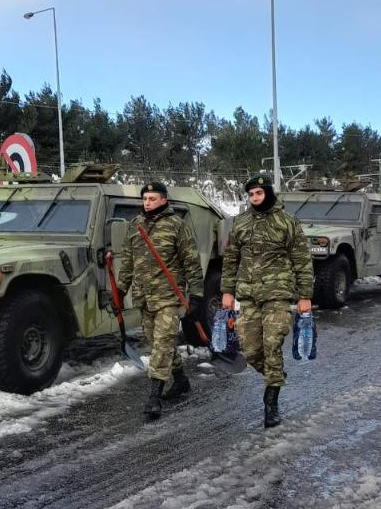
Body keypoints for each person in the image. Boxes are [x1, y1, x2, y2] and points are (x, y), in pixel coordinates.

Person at [220, 173, 314, 429]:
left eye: (259, 193)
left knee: (271, 345)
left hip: (277, 294)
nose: (254, 198)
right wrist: (227, 291)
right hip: (248, 294)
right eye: (250, 195)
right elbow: (230, 259)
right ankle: (275, 376)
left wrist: (305, 295)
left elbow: (302, 260)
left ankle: (270, 404)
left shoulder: (287, 222)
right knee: (250, 350)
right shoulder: (240, 223)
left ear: (269, 193)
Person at [115, 181, 204, 420]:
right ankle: (181, 380)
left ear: (164, 199)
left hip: (168, 296)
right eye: (145, 199)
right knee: (157, 343)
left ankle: (154, 396)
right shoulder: (135, 225)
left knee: (163, 342)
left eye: (152, 198)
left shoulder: (176, 225)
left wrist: (196, 295)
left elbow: (191, 263)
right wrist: (119, 291)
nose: (147, 203)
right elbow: (128, 264)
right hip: (144, 297)